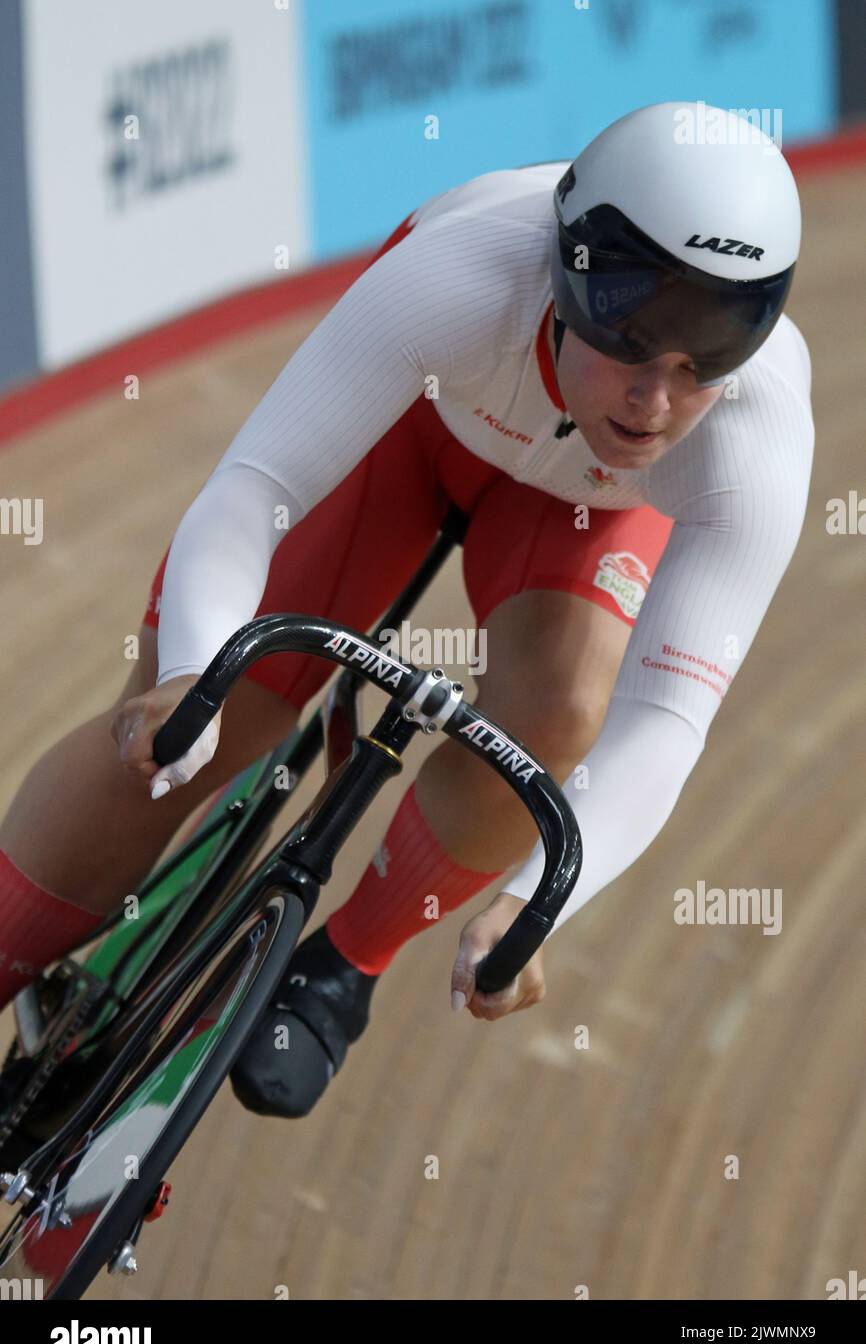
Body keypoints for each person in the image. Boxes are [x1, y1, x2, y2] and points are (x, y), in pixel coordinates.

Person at [0, 102, 813, 1120]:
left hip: (574, 512)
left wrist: (531, 904)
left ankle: (342, 968)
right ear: (565, 275)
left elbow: (663, 720)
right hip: (415, 423)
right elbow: (253, 490)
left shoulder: (757, 427)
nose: (653, 400)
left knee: (559, 711)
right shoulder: (468, 274)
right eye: (632, 340)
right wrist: (187, 673)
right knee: (208, 721)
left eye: (703, 361)